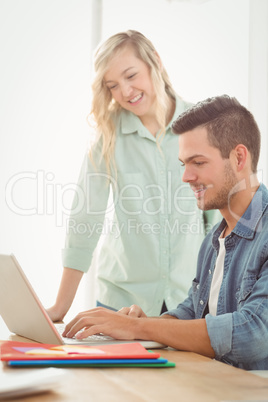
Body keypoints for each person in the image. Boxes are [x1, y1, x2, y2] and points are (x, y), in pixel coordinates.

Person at [62, 95, 268, 371]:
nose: (186, 177)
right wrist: (133, 325)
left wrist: (139, 327)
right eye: (184, 164)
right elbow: (191, 312)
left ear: (239, 157)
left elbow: (253, 333)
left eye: (198, 162)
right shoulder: (212, 242)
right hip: (215, 385)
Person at [47, 30, 219, 321]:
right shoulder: (109, 135)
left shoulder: (202, 124)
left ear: (156, 62)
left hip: (188, 305)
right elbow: (85, 220)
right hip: (120, 304)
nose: (125, 92)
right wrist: (59, 308)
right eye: (113, 85)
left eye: (131, 75)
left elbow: (216, 221)